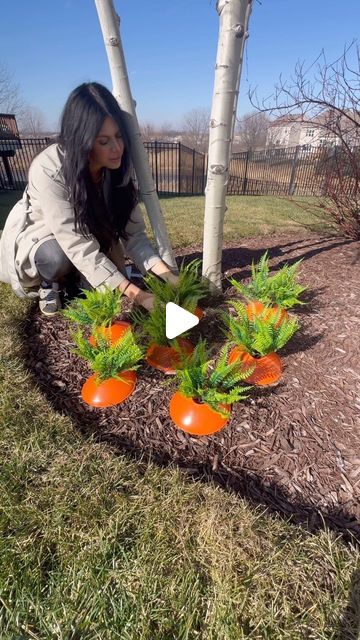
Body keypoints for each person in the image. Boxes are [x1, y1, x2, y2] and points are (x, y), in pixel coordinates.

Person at [0, 82, 177, 316]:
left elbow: (134, 236)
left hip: (87, 234)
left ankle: (79, 278)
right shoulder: (50, 168)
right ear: (81, 139)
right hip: (46, 238)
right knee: (56, 257)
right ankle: (50, 283)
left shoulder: (116, 168)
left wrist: (170, 278)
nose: (117, 149)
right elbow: (75, 243)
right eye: (103, 141)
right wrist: (141, 297)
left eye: (119, 136)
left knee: (108, 276)